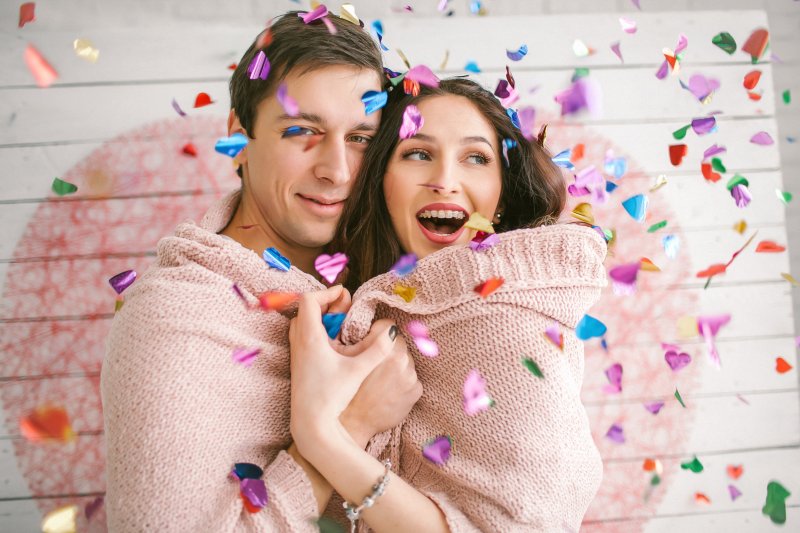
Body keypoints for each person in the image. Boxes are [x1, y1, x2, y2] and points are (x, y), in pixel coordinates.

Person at [101, 11, 428, 532]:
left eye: (361, 138)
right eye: (302, 130)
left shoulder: (386, 280)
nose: (337, 170)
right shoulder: (175, 318)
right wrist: (350, 424)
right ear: (239, 135)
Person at [309, 77, 608, 531]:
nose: (444, 181)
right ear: (381, 183)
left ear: (502, 196)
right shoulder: (356, 301)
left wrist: (323, 440)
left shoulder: (507, 326)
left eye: (475, 158)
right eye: (418, 153)